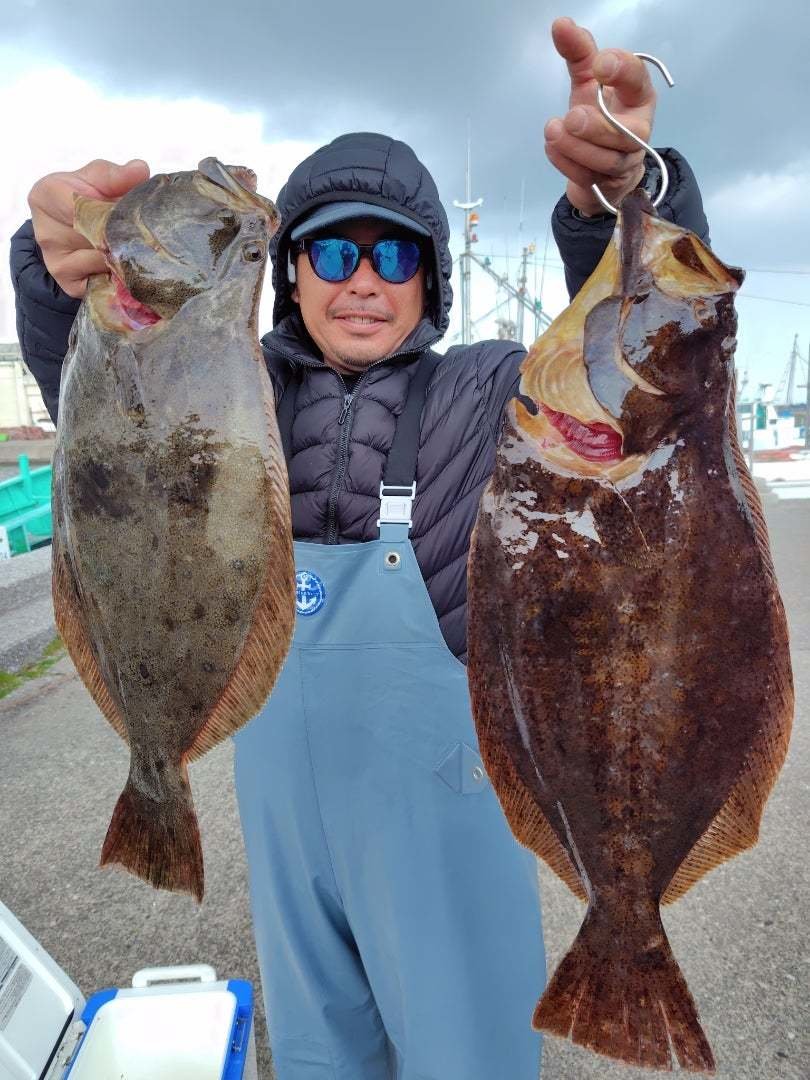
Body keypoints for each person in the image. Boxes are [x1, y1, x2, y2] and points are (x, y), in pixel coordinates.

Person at [10, 17, 709, 1080]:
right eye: (334, 253)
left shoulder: (491, 391)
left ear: (431, 278)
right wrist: (56, 274)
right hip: (287, 830)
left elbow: (640, 364)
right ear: (288, 272)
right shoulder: (228, 381)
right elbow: (106, 408)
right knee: (319, 1058)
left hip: (447, 819)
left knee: (467, 1055)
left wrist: (626, 200)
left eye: (396, 254)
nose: (364, 281)